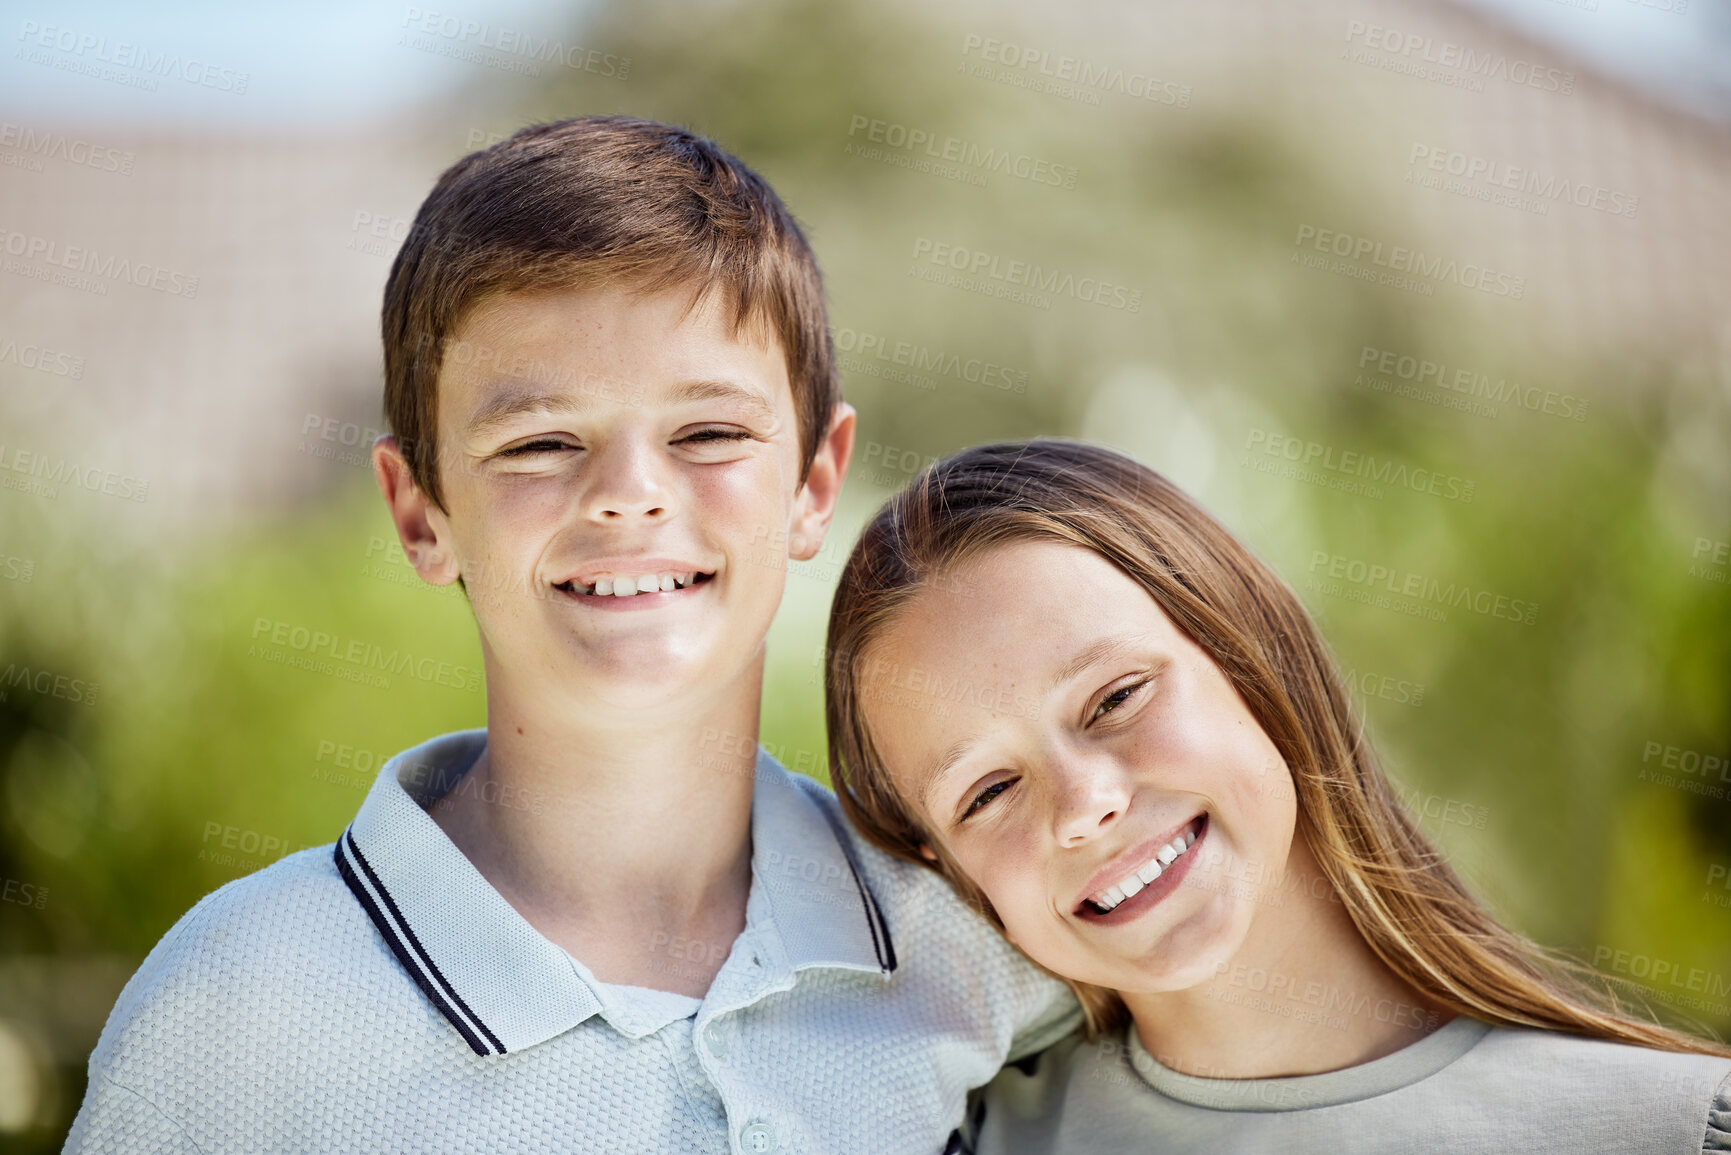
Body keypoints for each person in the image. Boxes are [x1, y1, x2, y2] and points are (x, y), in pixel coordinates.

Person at [63, 119, 1079, 1154]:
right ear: (421, 513)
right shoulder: (240, 1008)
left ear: (815, 484)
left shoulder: (983, 945)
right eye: (541, 441)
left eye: (709, 433)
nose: (630, 496)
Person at [823, 437, 1731, 1153]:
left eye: (1115, 697)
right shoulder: (942, 1141)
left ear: (1250, 654)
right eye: (986, 791)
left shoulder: (1672, 1131)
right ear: (945, 868)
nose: (1082, 803)